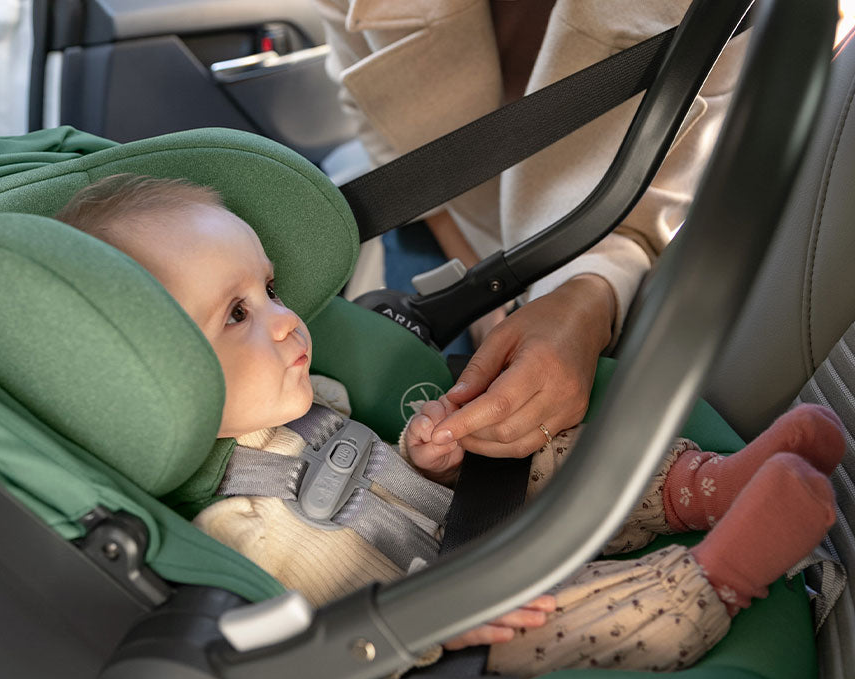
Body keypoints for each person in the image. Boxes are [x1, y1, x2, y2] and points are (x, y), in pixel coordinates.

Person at [54, 176, 840, 677]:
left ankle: (707, 487)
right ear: (153, 385)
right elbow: (333, 639)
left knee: (541, 448)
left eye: (271, 289)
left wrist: (429, 457)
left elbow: (386, 482)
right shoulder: (239, 530)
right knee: (570, 620)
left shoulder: (313, 400)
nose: (288, 321)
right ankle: (720, 572)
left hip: (478, 527)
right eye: (236, 315)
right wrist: (438, 627)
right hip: (456, 629)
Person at [314, 0, 751, 457]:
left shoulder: (722, 11)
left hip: (598, 241)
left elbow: (660, 198)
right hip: (448, 218)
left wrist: (581, 304)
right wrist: (482, 296)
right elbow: (372, 118)